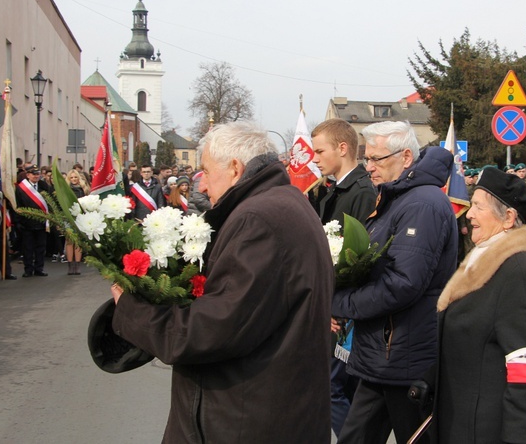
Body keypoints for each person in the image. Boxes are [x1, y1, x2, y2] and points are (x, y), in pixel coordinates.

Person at [110, 122, 333, 442]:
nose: (200, 185)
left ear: (234, 168)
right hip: (268, 413)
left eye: (205, 171)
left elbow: (212, 329)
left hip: (245, 420)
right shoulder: (282, 203)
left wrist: (130, 310)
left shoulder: (258, 219)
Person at [331, 121, 458, 444]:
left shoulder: (422, 204)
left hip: (404, 356)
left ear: (405, 157)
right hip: (383, 355)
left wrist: (340, 303)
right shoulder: (398, 197)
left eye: (377, 159)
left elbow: (402, 283)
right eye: (367, 159)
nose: (369, 168)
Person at [427, 166, 526, 443]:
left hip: (488, 431)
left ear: (508, 218)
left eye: (478, 206)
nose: (470, 214)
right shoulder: (486, 257)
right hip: (465, 424)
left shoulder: (519, 271)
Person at [311, 118, 377, 437]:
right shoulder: (336, 190)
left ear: (342, 148)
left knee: (333, 389)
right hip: (339, 306)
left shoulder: (361, 191)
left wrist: (337, 306)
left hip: (345, 311)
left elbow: (357, 258)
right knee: (344, 390)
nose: (315, 157)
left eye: (320, 150)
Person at [15, 165, 51, 277]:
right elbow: (18, 205)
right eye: (33, 174)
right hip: (27, 223)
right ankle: (28, 269)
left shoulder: (43, 186)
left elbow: (49, 202)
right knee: (28, 248)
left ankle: (39, 268)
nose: (36, 176)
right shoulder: (21, 188)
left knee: (40, 247)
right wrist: (19, 222)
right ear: (28, 175)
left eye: (37, 174)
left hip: (41, 222)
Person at [66, 170, 89, 275]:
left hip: (80, 217)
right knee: (70, 241)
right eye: (72, 177)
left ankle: (77, 265)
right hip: (69, 217)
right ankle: (70, 265)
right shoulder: (65, 190)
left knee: (78, 242)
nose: (74, 179)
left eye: (76, 177)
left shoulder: (84, 189)